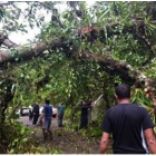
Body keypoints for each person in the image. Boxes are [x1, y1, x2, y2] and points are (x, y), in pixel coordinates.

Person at [100, 83, 156, 154]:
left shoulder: (110, 113)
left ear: (116, 96)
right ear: (130, 95)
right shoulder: (142, 111)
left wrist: (101, 153)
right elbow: (151, 140)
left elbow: (104, 140)